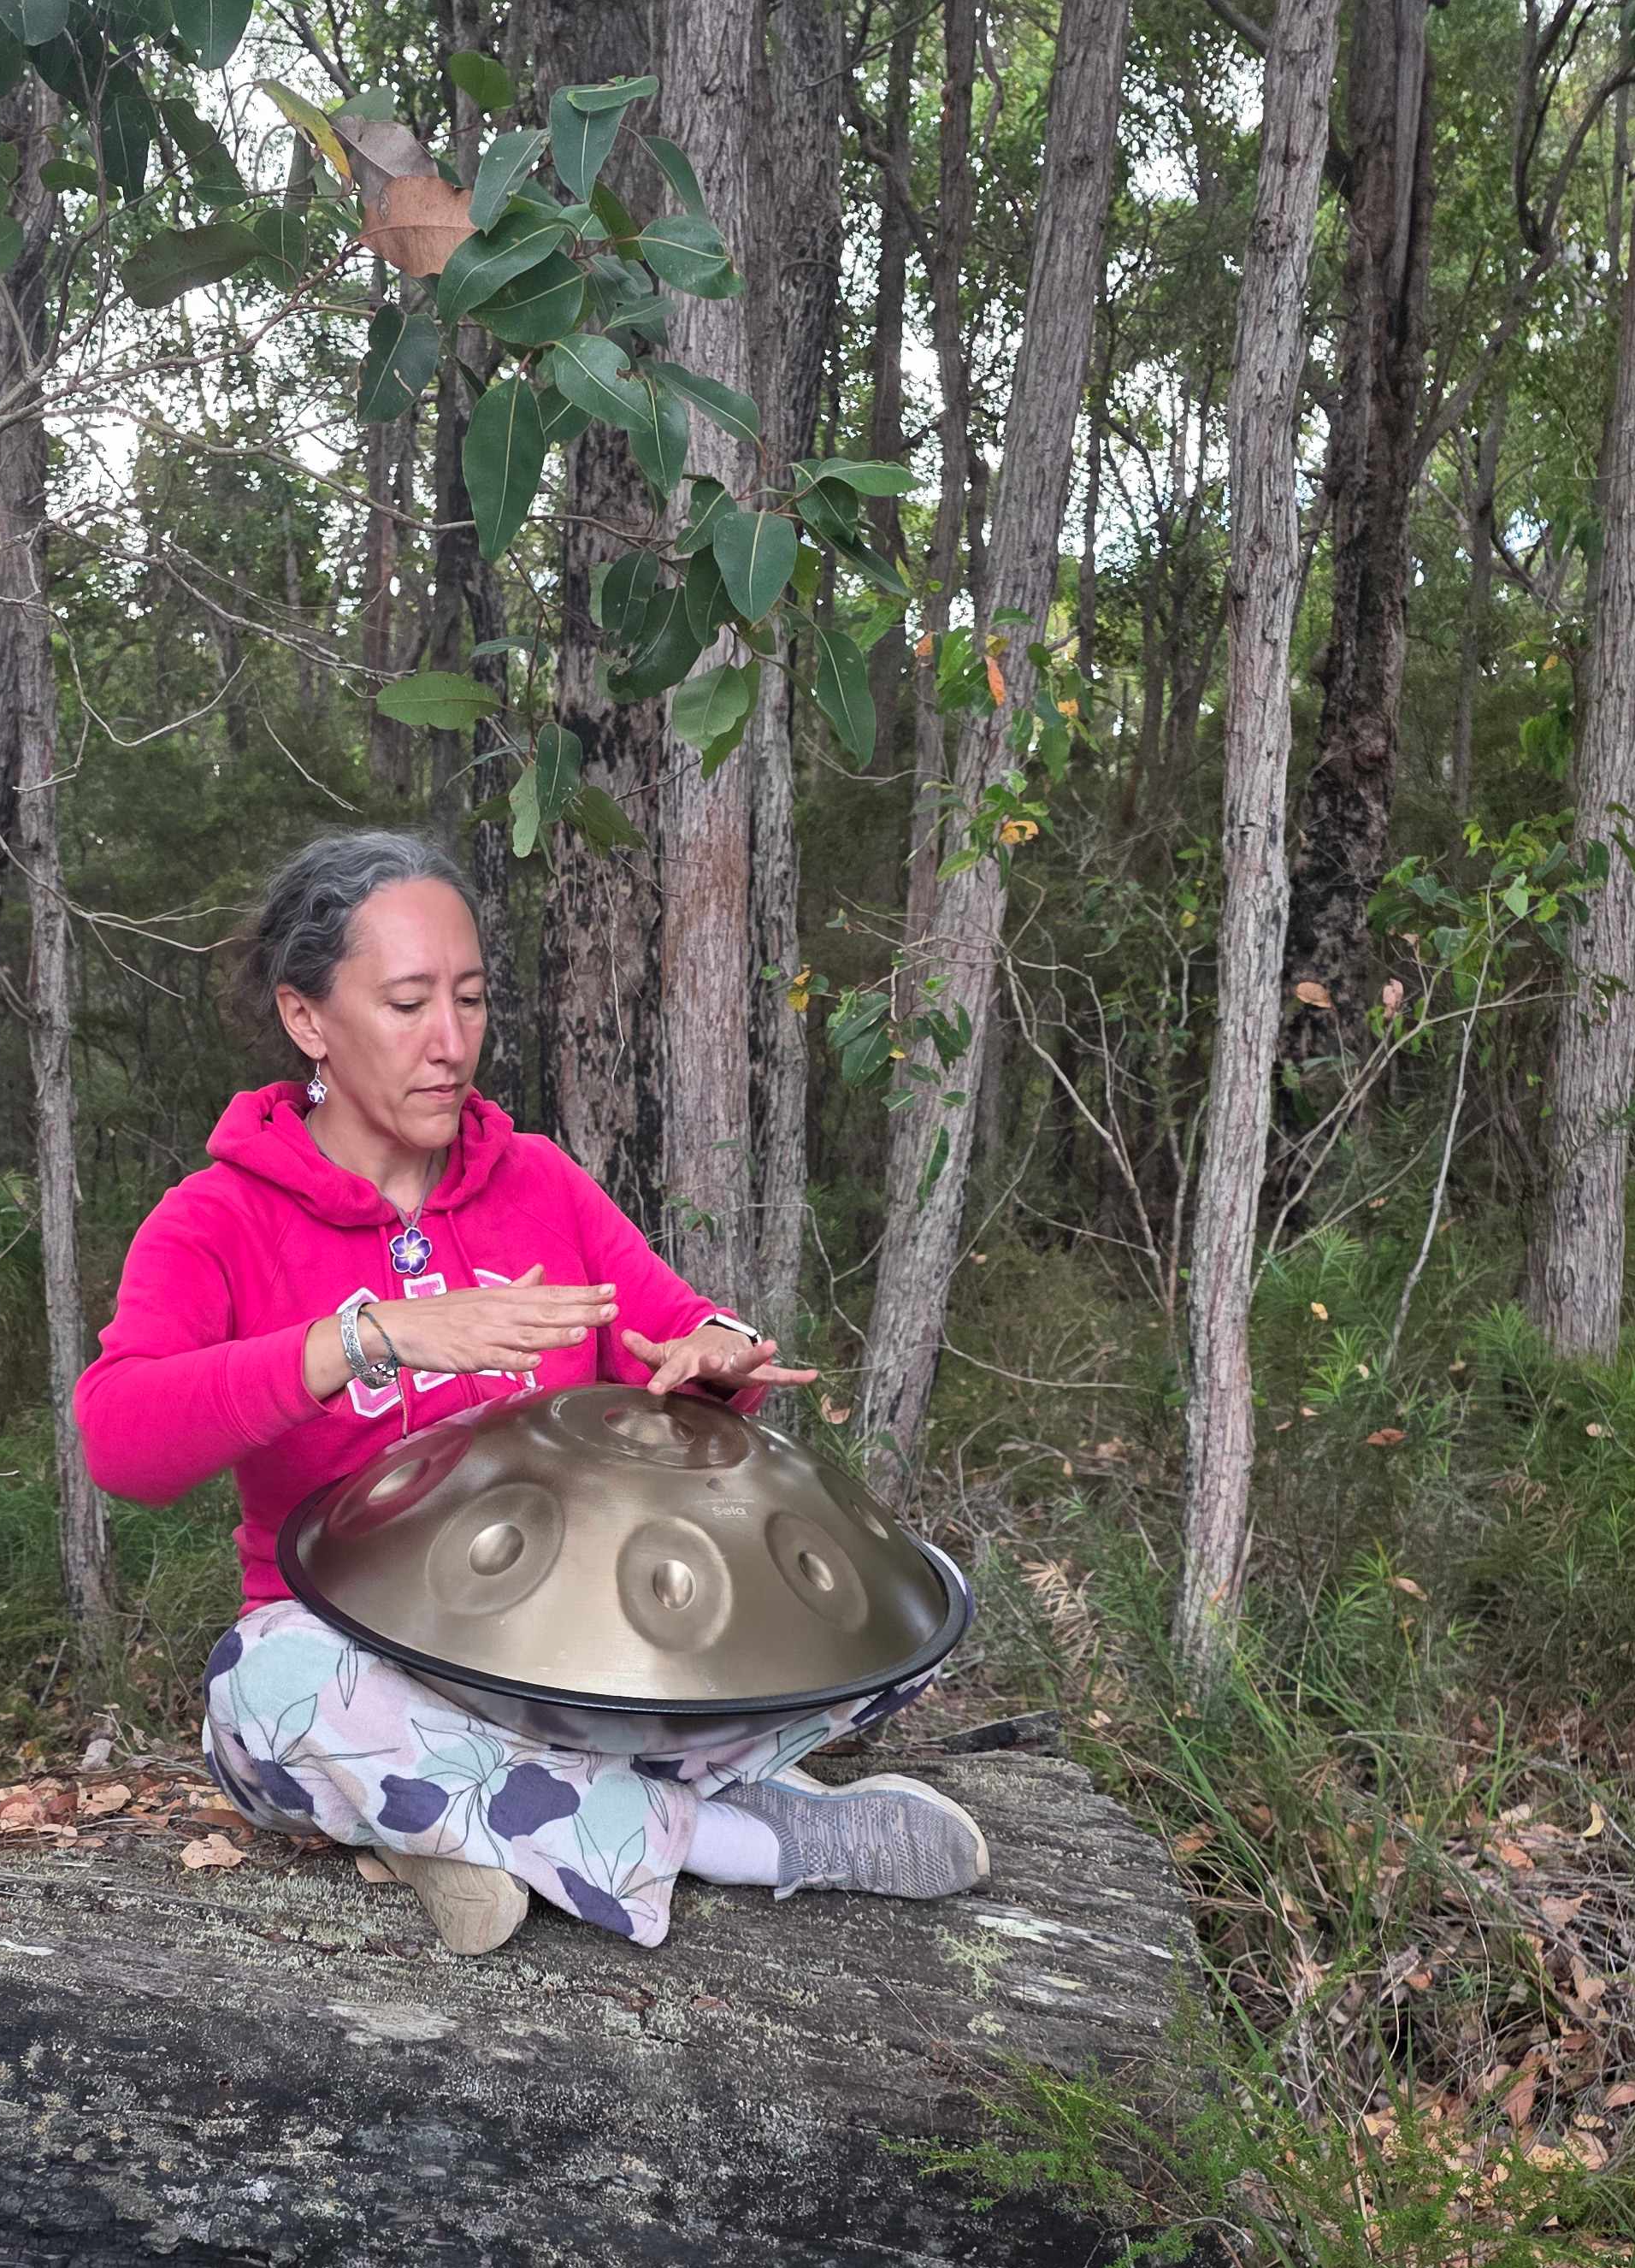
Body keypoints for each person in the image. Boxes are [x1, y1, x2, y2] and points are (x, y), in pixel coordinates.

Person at [74, 830, 989, 1956]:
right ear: (308, 1019)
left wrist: (715, 1355)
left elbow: (673, 1324)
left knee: (916, 1596)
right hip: (353, 1660)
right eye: (408, 1004)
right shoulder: (220, 1218)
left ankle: (466, 1827)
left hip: (568, 1676)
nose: (451, 1044)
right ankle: (757, 1843)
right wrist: (365, 1338)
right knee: (261, 1694)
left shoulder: (536, 1183)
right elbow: (121, 1440)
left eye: (468, 1000)